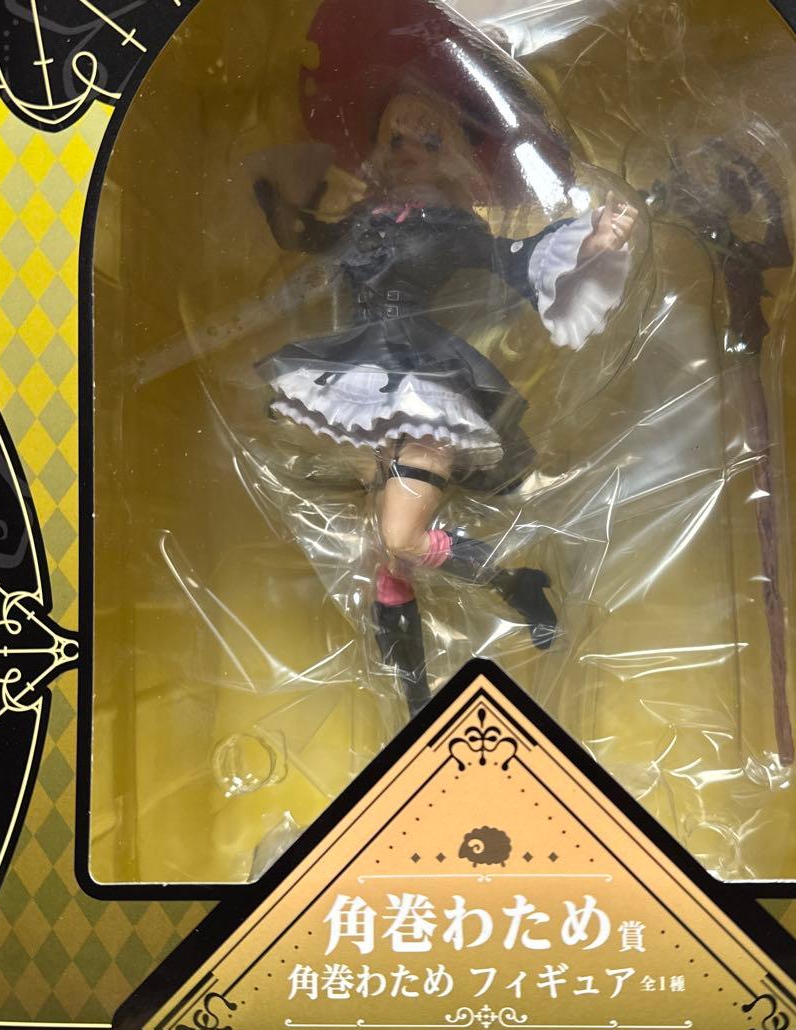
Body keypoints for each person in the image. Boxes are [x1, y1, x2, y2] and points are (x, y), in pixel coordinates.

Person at [254, 87, 637, 717]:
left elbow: (514, 260)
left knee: (399, 537)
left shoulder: (452, 225)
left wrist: (588, 245)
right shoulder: (365, 220)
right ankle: (415, 700)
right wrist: (274, 189)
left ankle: (514, 581)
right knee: (387, 558)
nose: (409, 152)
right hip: (359, 375)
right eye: (395, 139)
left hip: (424, 382)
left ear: (452, 156)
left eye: (430, 142)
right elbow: (310, 238)